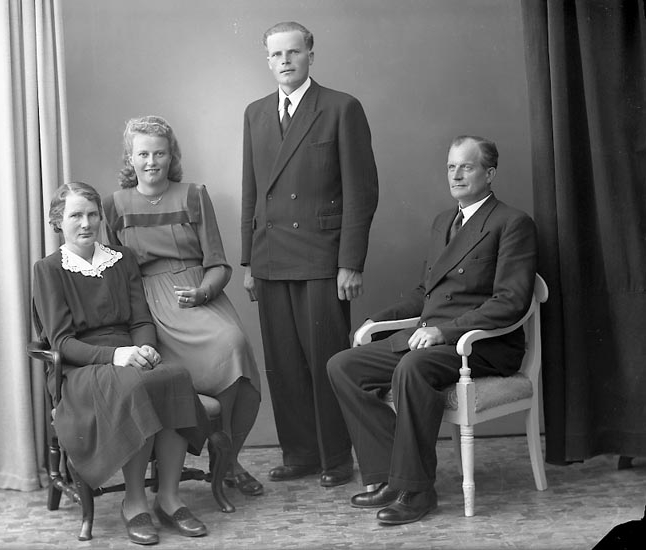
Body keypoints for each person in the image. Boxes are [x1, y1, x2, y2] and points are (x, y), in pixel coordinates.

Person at [327, 135, 538, 525]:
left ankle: (417, 490)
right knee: (343, 366)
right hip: (432, 338)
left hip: (481, 344)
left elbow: (510, 301)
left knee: (413, 367)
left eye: (467, 167)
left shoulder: (512, 223)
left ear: (490, 174)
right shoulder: (444, 221)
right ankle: (390, 475)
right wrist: (377, 320)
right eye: (451, 167)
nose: (456, 175)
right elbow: (426, 291)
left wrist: (446, 332)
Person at [240, 21, 379, 488]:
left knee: (325, 361)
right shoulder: (255, 113)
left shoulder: (341, 107)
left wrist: (350, 262)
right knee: (284, 365)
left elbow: (362, 191)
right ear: (268, 60)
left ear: (310, 55)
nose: (285, 61)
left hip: (322, 257)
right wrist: (249, 261)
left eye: (294, 52)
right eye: (276, 55)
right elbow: (252, 191)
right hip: (270, 256)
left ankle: (336, 459)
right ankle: (299, 453)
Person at [33, 182, 210, 545]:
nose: (86, 223)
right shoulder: (49, 269)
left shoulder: (122, 258)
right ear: (58, 222)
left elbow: (141, 320)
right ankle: (134, 502)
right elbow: (62, 342)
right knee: (134, 386)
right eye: (76, 216)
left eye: (92, 214)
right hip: (81, 369)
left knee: (175, 377)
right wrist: (117, 356)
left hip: (129, 355)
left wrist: (143, 349)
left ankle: (169, 497)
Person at [103, 116, 263, 496]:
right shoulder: (113, 206)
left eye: (160, 153)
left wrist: (202, 292)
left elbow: (219, 264)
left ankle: (226, 454)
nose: (152, 162)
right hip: (145, 304)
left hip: (195, 295)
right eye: (143, 154)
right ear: (130, 157)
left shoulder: (193, 195)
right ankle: (205, 455)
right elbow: (111, 270)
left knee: (232, 344)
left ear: (171, 156)